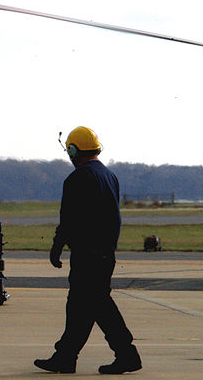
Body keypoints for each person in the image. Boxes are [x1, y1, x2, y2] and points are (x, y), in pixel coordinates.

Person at [34, 126, 142, 375]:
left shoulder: (78, 177)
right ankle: (66, 357)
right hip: (105, 253)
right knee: (80, 306)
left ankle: (127, 354)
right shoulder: (109, 175)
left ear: (74, 150)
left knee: (98, 305)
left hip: (88, 254)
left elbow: (69, 219)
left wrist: (57, 246)